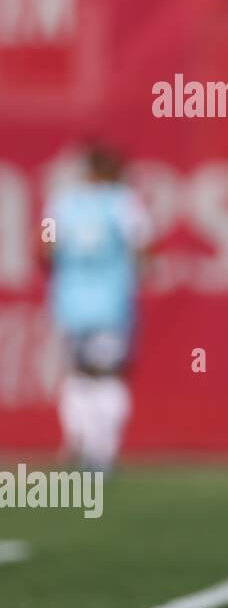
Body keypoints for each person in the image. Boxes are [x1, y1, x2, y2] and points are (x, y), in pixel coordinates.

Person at [37, 144, 152, 473]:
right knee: (109, 373)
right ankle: (104, 448)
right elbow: (143, 247)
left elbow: (44, 248)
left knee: (78, 373)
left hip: (70, 304)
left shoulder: (63, 203)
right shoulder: (123, 203)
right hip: (111, 305)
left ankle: (78, 439)